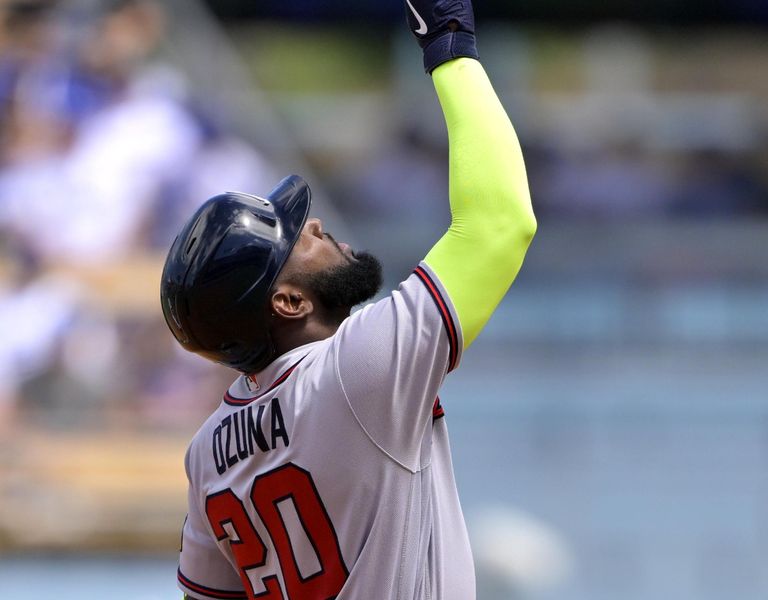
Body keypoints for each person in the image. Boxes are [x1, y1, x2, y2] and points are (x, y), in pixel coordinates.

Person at [162, 0, 536, 598]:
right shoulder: (351, 370)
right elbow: (500, 223)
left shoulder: (209, 453)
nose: (313, 227)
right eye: (293, 240)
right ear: (286, 302)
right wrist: (450, 48)